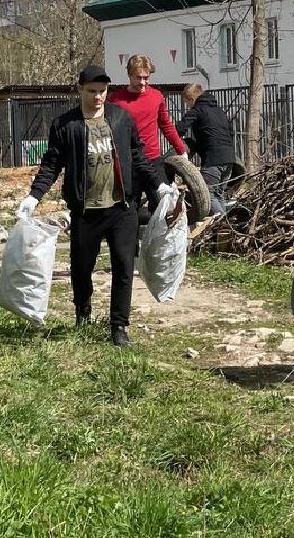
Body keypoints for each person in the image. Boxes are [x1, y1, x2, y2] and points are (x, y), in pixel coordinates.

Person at [18, 64, 180, 347]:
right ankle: (83, 312)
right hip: (86, 211)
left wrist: (158, 184)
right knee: (81, 268)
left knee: (124, 266)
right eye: (92, 91)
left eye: (102, 91)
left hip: (122, 208)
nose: (97, 97)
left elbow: (138, 156)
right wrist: (34, 196)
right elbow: (51, 164)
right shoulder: (66, 125)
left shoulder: (120, 119)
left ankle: (119, 327)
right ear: (80, 88)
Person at [108, 54, 188, 164]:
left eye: (146, 78)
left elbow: (166, 125)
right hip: (127, 160)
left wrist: (181, 150)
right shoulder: (116, 100)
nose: (142, 82)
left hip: (152, 158)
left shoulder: (156, 96)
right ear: (129, 75)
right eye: (138, 77)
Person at [178, 83, 238, 216]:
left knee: (209, 195)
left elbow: (180, 129)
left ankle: (223, 226)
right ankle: (225, 231)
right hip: (229, 159)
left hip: (213, 159)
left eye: (186, 103)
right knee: (219, 194)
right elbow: (231, 132)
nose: (187, 106)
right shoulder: (219, 110)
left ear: (191, 99)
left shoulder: (197, 109)